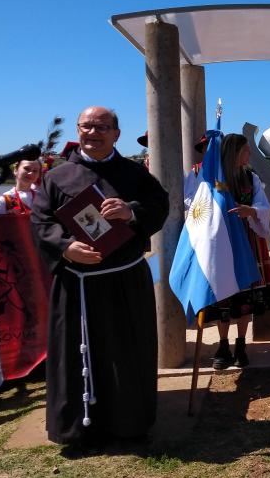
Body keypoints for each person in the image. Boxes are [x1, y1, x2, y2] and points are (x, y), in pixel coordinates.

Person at [31, 106, 169, 446]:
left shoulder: (135, 174)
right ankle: (76, 429)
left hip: (124, 281)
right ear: (77, 131)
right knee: (74, 353)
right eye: (86, 126)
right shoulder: (56, 177)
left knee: (127, 350)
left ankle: (129, 424)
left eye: (101, 127)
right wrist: (65, 247)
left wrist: (131, 211)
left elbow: (160, 205)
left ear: (116, 134)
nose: (93, 133)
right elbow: (39, 222)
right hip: (77, 283)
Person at [206, 133, 270, 369]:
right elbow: (196, 205)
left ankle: (241, 343)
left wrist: (252, 211)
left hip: (246, 243)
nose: (248, 154)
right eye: (245, 150)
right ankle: (223, 344)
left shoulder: (251, 178)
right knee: (222, 296)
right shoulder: (214, 178)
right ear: (234, 152)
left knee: (246, 296)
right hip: (222, 243)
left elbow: (264, 206)